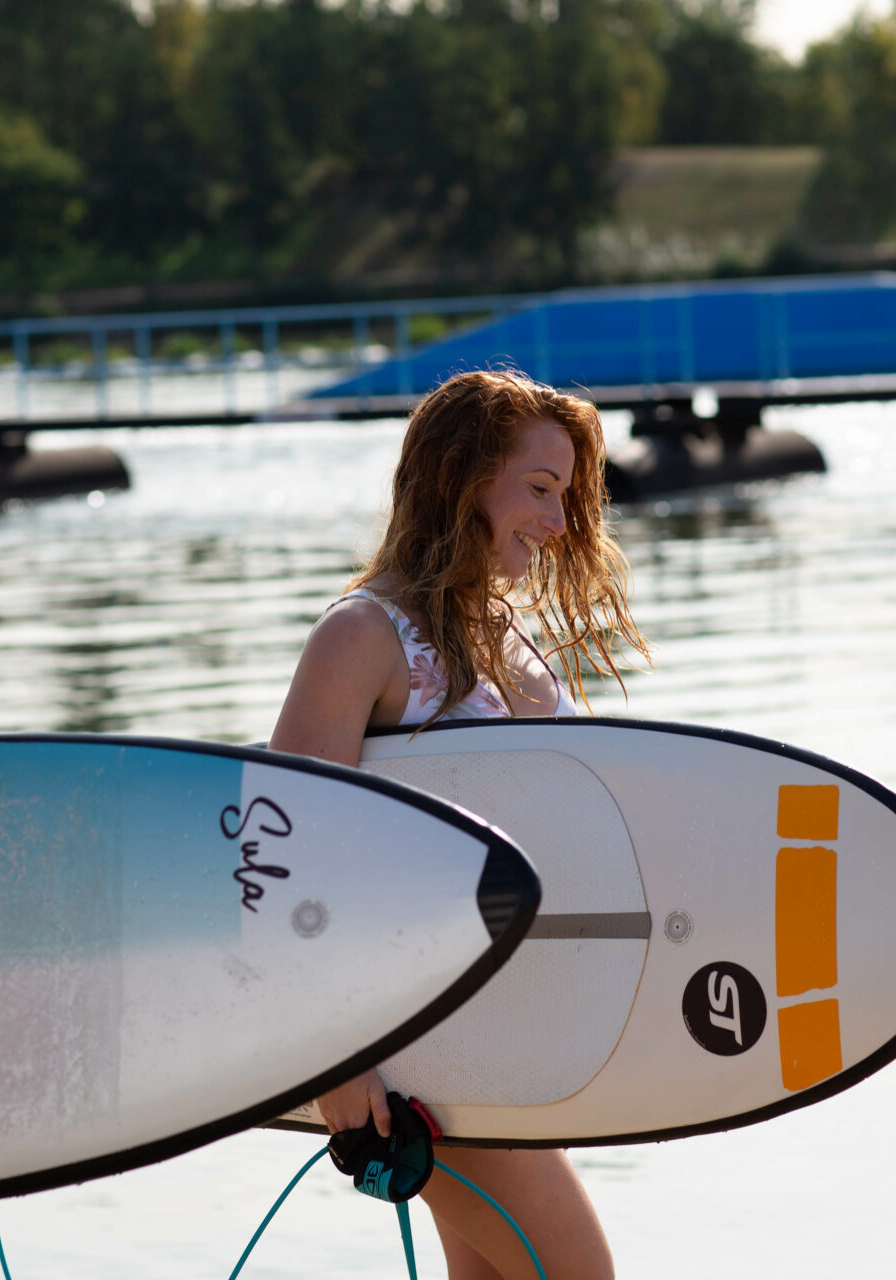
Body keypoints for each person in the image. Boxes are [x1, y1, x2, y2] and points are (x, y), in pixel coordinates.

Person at [268, 369, 649, 1280]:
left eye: (565, 497)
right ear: (463, 478)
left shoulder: (506, 638)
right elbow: (284, 859)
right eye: (539, 490)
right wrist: (339, 1059)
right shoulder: (363, 637)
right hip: (419, 1046)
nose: (559, 523)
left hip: (512, 1037)